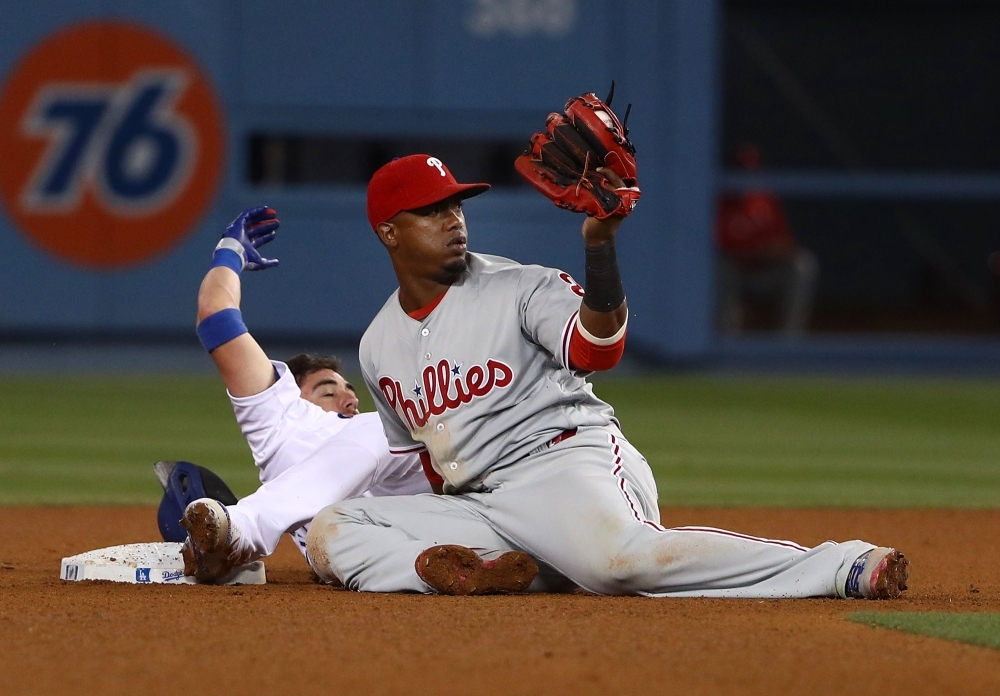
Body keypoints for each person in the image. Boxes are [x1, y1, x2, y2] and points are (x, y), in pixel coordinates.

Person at [303, 154, 909, 599]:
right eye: (431, 211)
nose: (454, 219)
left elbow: (598, 347)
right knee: (334, 528)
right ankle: (458, 573)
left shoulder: (520, 286)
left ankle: (838, 566)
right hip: (481, 508)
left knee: (618, 564)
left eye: (456, 204)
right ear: (389, 232)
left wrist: (600, 247)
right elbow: (424, 469)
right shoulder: (378, 346)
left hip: (565, 467)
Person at [181, 206, 431, 582]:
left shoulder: (375, 427)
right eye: (327, 390)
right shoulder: (281, 417)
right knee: (333, 539)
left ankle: (239, 531)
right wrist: (229, 251)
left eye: (350, 390)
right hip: (359, 545)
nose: (348, 399)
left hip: (435, 494)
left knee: (385, 427)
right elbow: (216, 316)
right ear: (289, 396)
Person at [716, 143, 818, 336]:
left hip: (765, 273)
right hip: (734, 274)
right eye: (741, 172)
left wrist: (773, 250)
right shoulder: (718, 201)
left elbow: (784, 243)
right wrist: (758, 249)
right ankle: (729, 340)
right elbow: (720, 247)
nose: (747, 178)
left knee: (804, 264)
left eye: (751, 171)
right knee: (722, 268)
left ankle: (789, 341)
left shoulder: (764, 198)